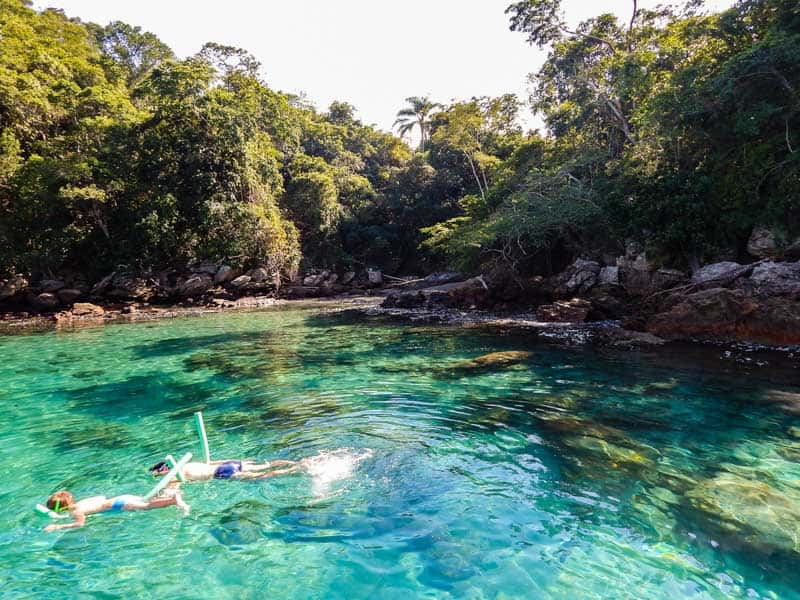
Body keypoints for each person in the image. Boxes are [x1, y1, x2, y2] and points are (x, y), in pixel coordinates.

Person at [42, 486, 189, 532]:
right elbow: (100, 497)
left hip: (118, 505)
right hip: (120, 498)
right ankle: (168, 492)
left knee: (147, 506)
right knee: (146, 500)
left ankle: (173, 500)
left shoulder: (76, 512)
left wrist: (58, 526)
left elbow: (80, 523)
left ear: (61, 509)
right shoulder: (80, 503)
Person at [148, 457, 303, 481]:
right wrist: (240, 460)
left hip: (222, 472)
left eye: (158, 474)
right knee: (266, 465)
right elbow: (211, 461)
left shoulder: (177, 475)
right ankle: (296, 462)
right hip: (229, 464)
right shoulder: (187, 464)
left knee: (261, 476)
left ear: (164, 470)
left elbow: (175, 487)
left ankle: (294, 469)